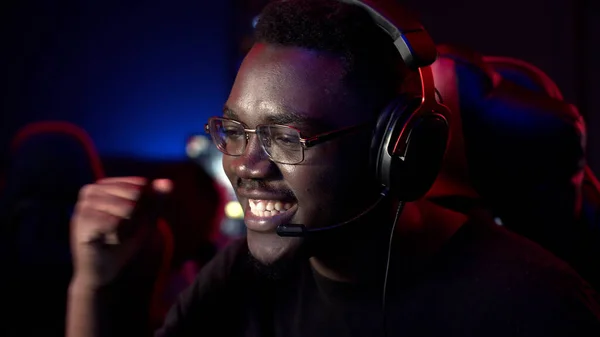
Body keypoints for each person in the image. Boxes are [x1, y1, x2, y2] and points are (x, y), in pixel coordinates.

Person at [66, 1, 600, 336]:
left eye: (285, 137)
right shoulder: (245, 276)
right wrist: (98, 287)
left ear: (393, 150)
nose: (247, 166)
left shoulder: (530, 305)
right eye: (234, 130)